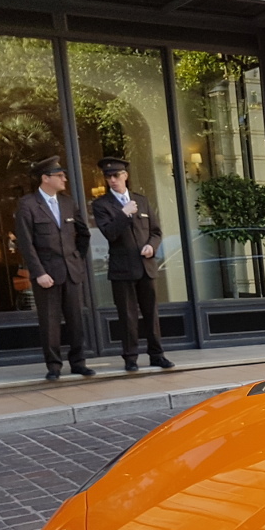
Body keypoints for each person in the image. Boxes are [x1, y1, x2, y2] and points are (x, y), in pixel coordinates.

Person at [14, 155, 93, 381]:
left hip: (71, 270)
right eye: (59, 175)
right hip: (47, 273)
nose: (64, 179)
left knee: (76, 319)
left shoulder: (68, 203)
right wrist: (38, 272)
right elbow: (25, 243)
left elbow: (83, 233)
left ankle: (78, 362)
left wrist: (77, 258)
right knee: (50, 322)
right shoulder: (28, 204)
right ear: (45, 178)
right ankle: (54, 366)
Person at [91, 157, 174, 371]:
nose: (112, 180)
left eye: (116, 176)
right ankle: (130, 358)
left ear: (125, 176)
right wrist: (123, 213)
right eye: (108, 177)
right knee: (127, 316)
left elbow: (155, 231)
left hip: (146, 266)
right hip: (122, 269)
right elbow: (109, 233)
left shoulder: (142, 200)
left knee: (151, 313)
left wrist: (151, 246)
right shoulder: (101, 204)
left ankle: (157, 354)